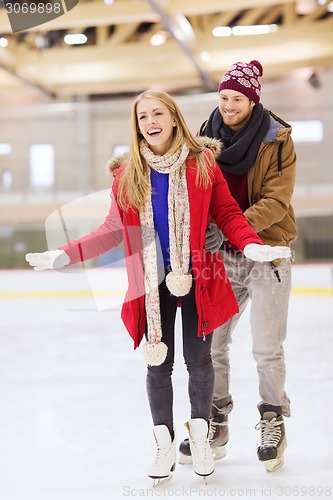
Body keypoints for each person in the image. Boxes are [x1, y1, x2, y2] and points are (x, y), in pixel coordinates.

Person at [26, 89, 291, 482]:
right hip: (151, 282)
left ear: (173, 118)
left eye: (157, 114)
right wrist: (65, 254)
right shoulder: (128, 173)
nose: (149, 123)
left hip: (199, 274)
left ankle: (201, 440)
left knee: (200, 362)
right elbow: (112, 230)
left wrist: (251, 245)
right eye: (142, 117)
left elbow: (228, 213)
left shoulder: (202, 164)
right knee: (158, 363)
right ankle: (163, 446)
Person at [178, 60, 297, 473]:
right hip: (221, 257)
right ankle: (216, 419)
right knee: (212, 342)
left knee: (266, 347)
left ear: (253, 100)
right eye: (224, 97)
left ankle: (272, 418)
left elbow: (277, 201)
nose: (229, 106)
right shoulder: (202, 138)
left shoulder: (277, 139)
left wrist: (232, 228)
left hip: (268, 249)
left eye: (237, 99)